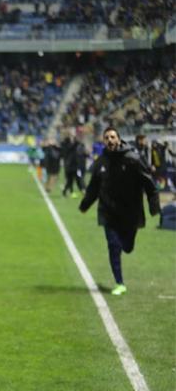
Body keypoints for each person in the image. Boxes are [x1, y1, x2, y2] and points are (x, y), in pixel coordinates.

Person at [79, 126, 160, 296]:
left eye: (112, 137)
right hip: (108, 212)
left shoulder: (132, 159)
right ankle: (119, 282)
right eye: (107, 137)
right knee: (113, 246)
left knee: (127, 247)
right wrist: (85, 205)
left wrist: (154, 206)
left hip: (130, 212)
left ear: (119, 139)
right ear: (104, 141)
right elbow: (93, 187)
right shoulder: (101, 162)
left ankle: (127, 245)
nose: (110, 140)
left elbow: (149, 183)